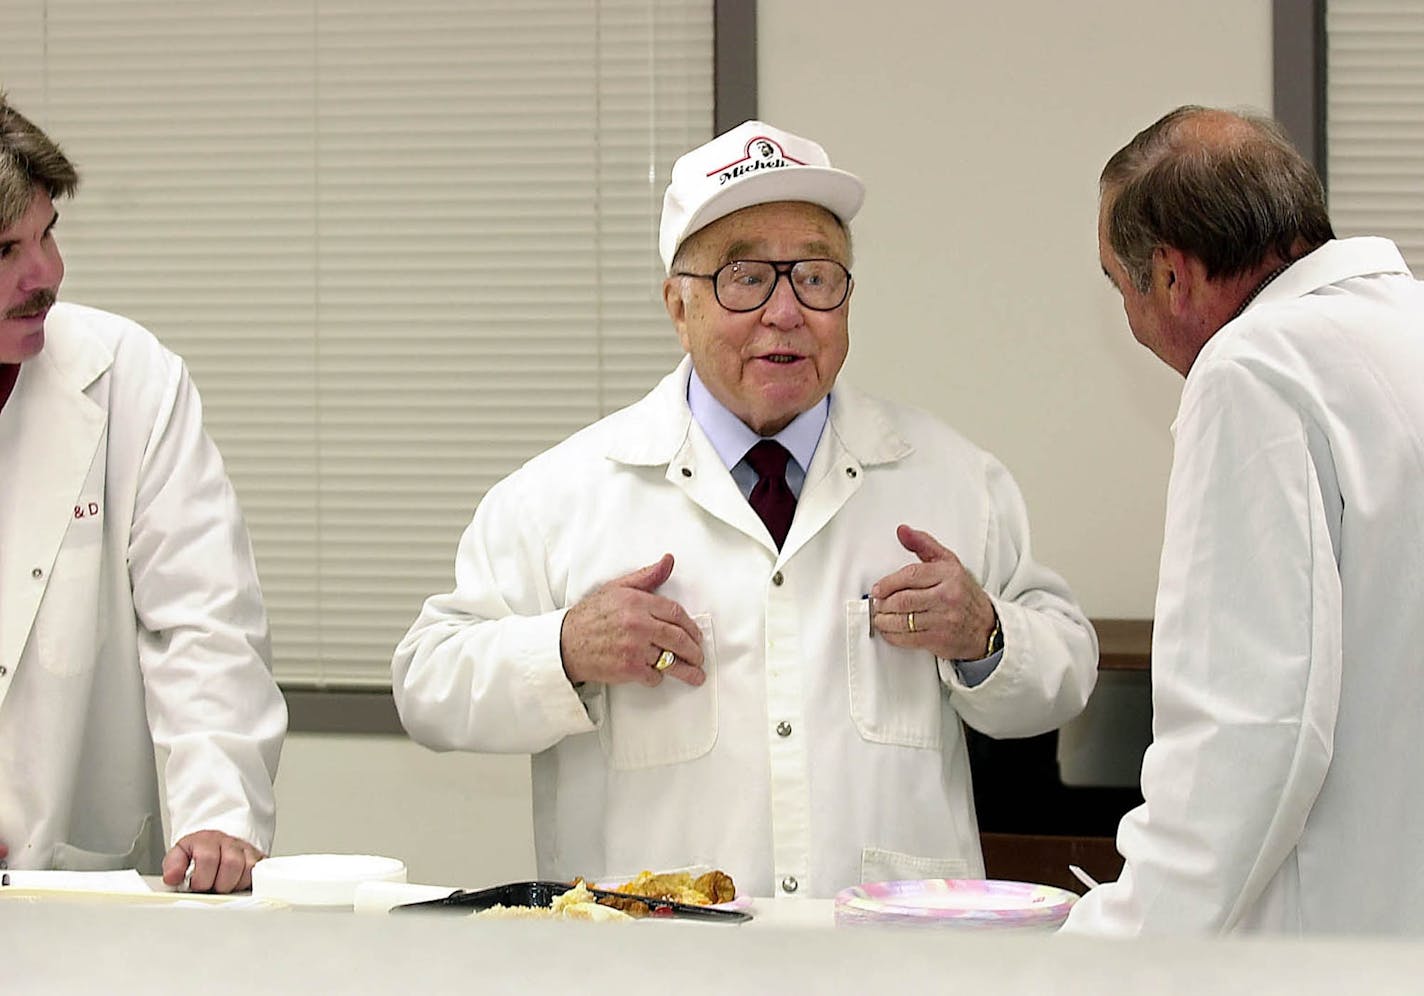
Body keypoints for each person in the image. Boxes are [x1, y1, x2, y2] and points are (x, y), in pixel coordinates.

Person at [393, 120, 1097, 899]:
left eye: (816, 276)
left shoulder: (953, 479)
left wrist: (986, 635)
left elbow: (1065, 673)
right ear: (677, 304)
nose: (786, 311)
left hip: (887, 954)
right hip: (654, 954)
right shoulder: (563, 494)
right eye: (745, 278)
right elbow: (428, 684)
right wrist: (564, 649)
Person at [1063, 105, 1424, 935]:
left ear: (1172, 277)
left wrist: (1119, 949)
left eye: (1120, 285)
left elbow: (1253, 729)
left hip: (1337, 941)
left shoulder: (1254, 373)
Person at [0, 96, 286, 893]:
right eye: (5, 249)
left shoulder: (127, 377)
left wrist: (218, 808)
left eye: (48, 231)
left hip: (80, 878)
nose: (47, 274)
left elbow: (204, 619)